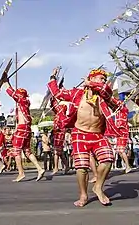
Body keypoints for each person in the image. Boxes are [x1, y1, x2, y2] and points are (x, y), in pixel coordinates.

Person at [48, 68, 122, 207]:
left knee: (108, 159)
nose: (104, 81)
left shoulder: (104, 95)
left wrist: (92, 84)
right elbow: (58, 93)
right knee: (81, 167)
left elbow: (106, 89)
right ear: (92, 78)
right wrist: (53, 77)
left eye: (104, 79)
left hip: (98, 134)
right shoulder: (77, 93)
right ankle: (83, 195)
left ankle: (98, 187)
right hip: (79, 133)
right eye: (101, 78)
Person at [3, 77, 45, 182]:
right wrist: (7, 82)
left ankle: (21, 173)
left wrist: (6, 83)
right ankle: (39, 169)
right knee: (27, 151)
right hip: (27, 129)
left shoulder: (22, 101)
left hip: (22, 128)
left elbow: (11, 93)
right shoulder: (25, 102)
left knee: (17, 151)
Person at [50, 97, 69, 175]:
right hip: (57, 133)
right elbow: (53, 107)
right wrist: (52, 100)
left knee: (56, 151)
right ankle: (67, 166)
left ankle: (56, 168)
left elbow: (55, 106)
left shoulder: (61, 115)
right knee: (60, 153)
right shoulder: (59, 115)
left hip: (59, 134)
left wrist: (53, 98)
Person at [115, 102, 132, 173]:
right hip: (119, 134)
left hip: (123, 133)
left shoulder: (124, 112)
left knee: (122, 150)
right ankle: (127, 165)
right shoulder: (117, 112)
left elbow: (120, 124)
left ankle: (128, 166)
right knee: (119, 151)